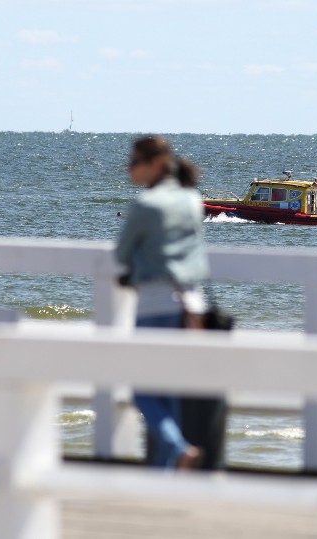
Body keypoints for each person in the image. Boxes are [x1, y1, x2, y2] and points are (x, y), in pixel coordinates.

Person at [115, 135, 225, 469]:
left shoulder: (145, 206)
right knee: (171, 392)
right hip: (191, 306)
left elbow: (122, 253)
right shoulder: (192, 200)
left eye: (134, 162)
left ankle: (177, 449)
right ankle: (162, 477)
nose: (128, 168)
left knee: (142, 392)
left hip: (156, 304)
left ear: (155, 164)